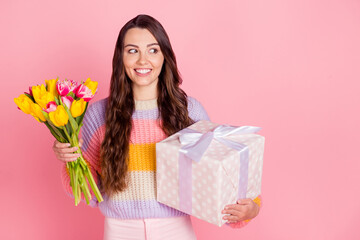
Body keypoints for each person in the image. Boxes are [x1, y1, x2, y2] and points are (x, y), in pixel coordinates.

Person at [52, 14, 261, 240]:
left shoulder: (189, 111)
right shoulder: (99, 115)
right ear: (120, 57)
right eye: (132, 51)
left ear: (165, 56)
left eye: (153, 50)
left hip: (175, 230)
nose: (143, 61)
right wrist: (70, 160)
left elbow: (220, 174)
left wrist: (251, 208)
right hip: (120, 231)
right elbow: (89, 192)